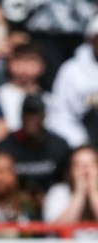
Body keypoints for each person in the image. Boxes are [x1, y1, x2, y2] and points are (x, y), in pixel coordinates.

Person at [0, 94, 70, 211]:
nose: (31, 119)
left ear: (44, 116)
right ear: (21, 115)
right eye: (27, 113)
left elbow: (65, 182)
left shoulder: (59, 146)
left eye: (36, 114)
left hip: (52, 204)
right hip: (14, 204)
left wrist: (48, 197)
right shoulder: (5, 147)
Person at [47, 17, 98, 150]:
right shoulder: (71, 70)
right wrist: (81, 143)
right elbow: (61, 114)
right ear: (91, 39)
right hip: (80, 143)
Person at [42, 145, 98, 225]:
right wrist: (79, 194)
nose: (86, 170)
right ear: (71, 170)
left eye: (91, 164)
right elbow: (56, 228)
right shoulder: (58, 191)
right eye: (79, 165)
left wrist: (93, 193)